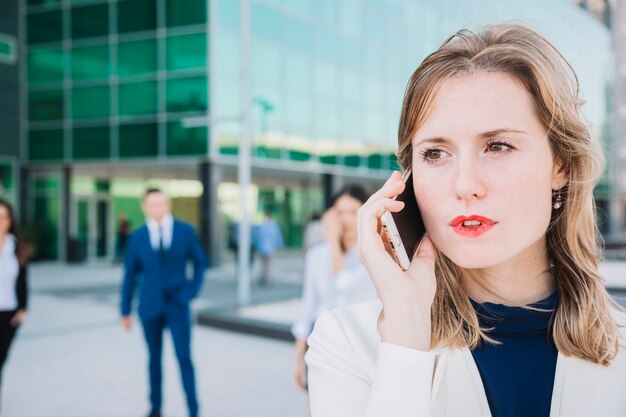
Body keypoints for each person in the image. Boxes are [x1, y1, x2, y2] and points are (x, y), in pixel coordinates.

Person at [306, 23, 626, 417]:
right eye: (435, 154)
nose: (465, 185)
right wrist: (406, 336)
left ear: (560, 164)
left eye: (498, 146)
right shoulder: (349, 343)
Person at [120, 189, 207, 417]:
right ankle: (156, 408)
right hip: (149, 305)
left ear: (168, 205)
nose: (157, 208)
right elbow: (130, 274)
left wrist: (190, 292)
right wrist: (125, 310)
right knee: (154, 360)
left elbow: (200, 264)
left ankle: (193, 410)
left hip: (178, 304)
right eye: (152, 204)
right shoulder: (136, 237)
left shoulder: (185, 231)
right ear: (144, 207)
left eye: (161, 203)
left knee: (184, 357)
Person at [292, 186, 378, 390]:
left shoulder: (374, 255)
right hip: (321, 345)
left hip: (359, 349)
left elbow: (344, 284)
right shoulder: (317, 255)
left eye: (353, 212)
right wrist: (297, 358)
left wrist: (332, 241)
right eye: (340, 212)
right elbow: (308, 307)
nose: (346, 219)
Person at [0, 200, 29, 402]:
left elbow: (24, 281)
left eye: (3, 217)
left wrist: (23, 308)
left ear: (10, 221)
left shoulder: (16, 247)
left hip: (8, 314)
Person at [253, 211, 284, 285]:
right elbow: (278, 237)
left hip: (262, 248)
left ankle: (263, 277)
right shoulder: (274, 226)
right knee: (268, 264)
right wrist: (280, 246)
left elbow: (257, 237)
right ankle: (266, 279)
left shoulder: (261, 226)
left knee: (263, 264)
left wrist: (256, 247)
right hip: (270, 249)